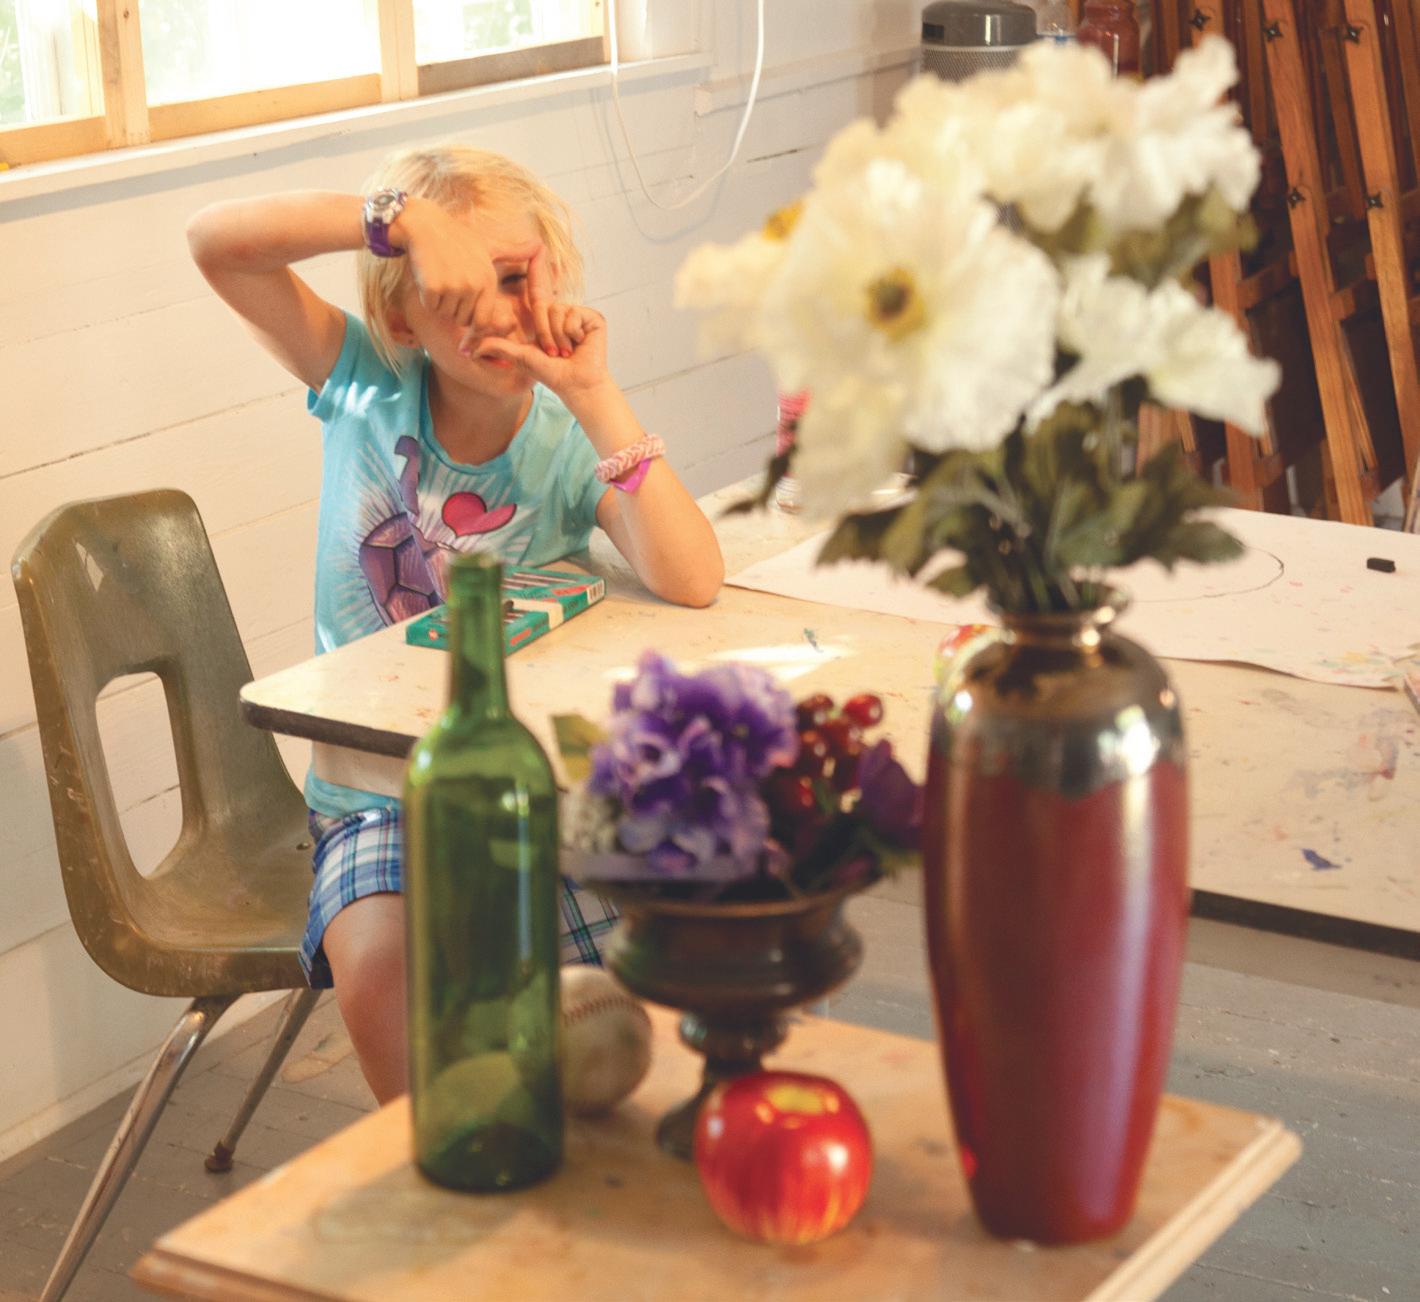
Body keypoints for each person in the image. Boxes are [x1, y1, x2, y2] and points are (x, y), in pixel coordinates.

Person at [187, 144, 724, 1103]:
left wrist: (593, 395)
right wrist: (400, 220)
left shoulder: (564, 441)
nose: (497, 315)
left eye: (513, 280)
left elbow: (692, 576)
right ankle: (435, 1160)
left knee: (663, 959)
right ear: (404, 317)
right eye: (458, 291)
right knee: (381, 968)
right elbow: (215, 243)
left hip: (539, 788)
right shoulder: (361, 378)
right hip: (377, 793)